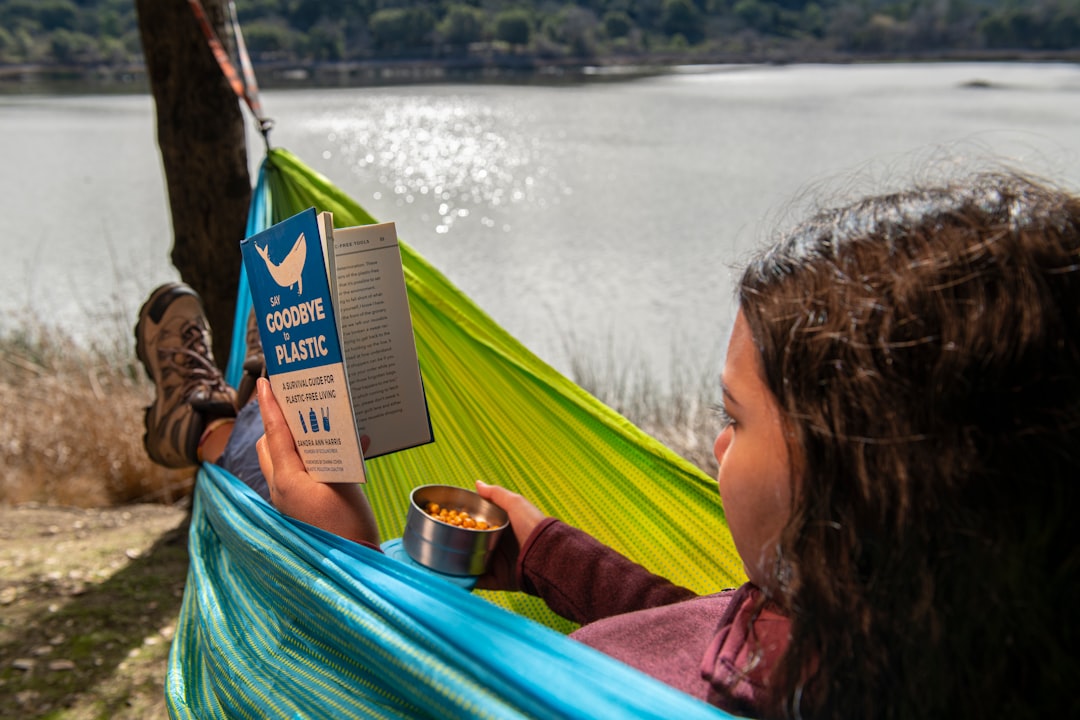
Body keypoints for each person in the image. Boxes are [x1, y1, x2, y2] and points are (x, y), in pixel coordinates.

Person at [136, 170, 1080, 719]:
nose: (715, 447)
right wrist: (550, 554)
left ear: (866, 483)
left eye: (736, 417)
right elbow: (700, 621)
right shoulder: (846, 617)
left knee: (267, 471)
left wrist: (341, 568)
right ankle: (220, 411)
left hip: (401, 651)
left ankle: (212, 419)